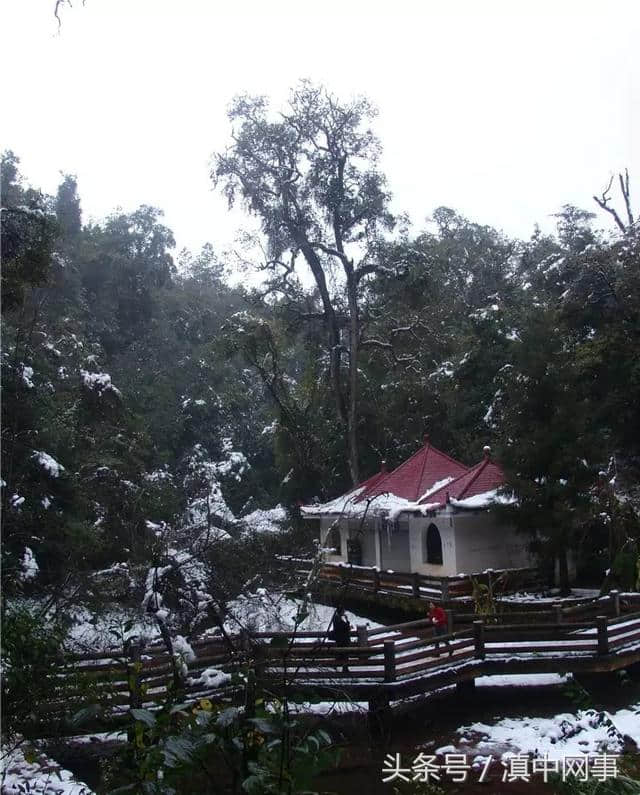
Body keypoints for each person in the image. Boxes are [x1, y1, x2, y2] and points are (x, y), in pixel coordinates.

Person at [330, 606, 352, 672]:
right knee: (344, 654)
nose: (344, 612)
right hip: (343, 639)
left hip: (341, 639)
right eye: (343, 610)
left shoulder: (338, 618)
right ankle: (343, 667)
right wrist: (347, 623)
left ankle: (341, 667)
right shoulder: (337, 618)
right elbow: (343, 627)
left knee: (342, 653)